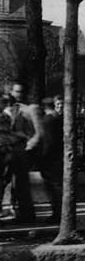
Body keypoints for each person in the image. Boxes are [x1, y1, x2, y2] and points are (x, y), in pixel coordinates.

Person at [4, 83, 38, 223]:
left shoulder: (26, 110)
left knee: (22, 184)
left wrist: (27, 143)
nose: (18, 94)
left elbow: (32, 132)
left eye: (21, 92)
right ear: (11, 92)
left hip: (20, 151)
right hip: (5, 151)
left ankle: (26, 214)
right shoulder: (4, 109)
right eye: (16, 91)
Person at [39, 96, 64, 223]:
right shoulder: (57, 119)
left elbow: (48, 142)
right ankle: (59, 212)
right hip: (57, 157)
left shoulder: (48, 120)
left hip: (51, 158)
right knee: (56, 186)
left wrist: (42, 157)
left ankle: (57, 213)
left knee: (54, 187)